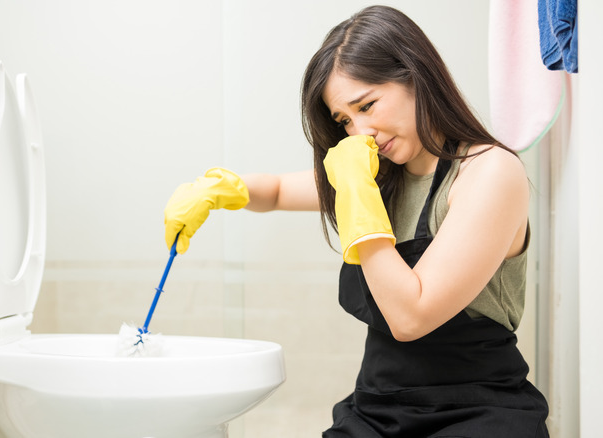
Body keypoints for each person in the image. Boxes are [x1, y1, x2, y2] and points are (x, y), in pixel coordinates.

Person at [162, 5, 550, 437]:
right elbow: (274, 190)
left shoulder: (488, 173)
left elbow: (411, 317)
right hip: (378, 411)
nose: (359, 132)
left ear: (415, 76)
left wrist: (356, 197)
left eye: (367, 105)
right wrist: (217, 189)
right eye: (345, 120)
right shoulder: (381, 177)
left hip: (478, 414)